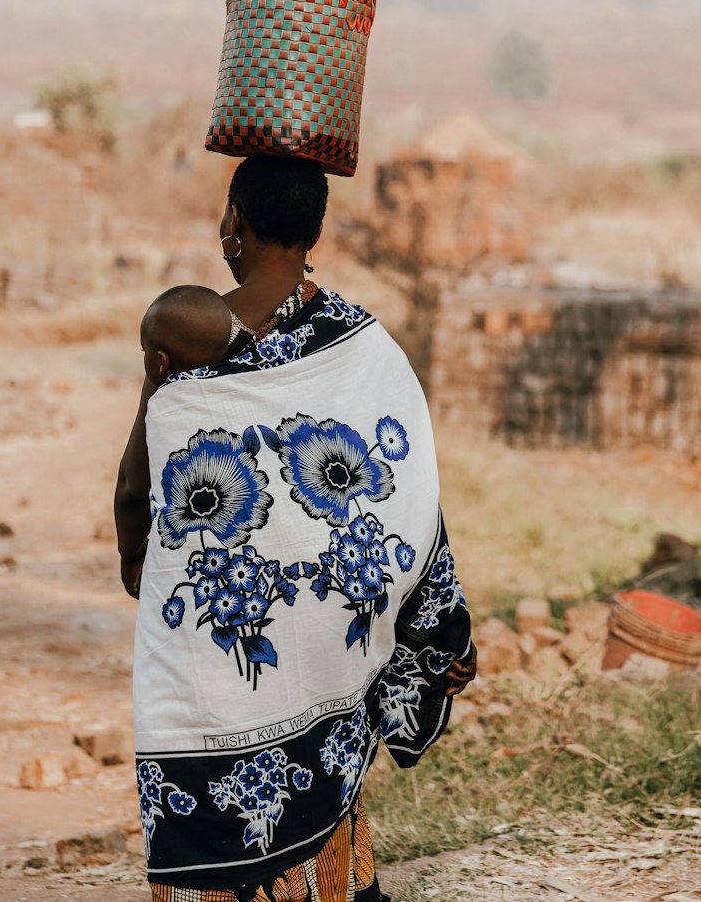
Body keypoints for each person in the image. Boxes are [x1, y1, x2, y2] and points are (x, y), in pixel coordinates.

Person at [115, 155, 475, 902]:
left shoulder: (183, 339)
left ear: (233, 225)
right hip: (323, 660)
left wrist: (156, 387)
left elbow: (134, 497)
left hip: (210, 671)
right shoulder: (366, 347)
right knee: (326, 814)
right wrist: (434, 623)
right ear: (317, 230)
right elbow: (406, 496)